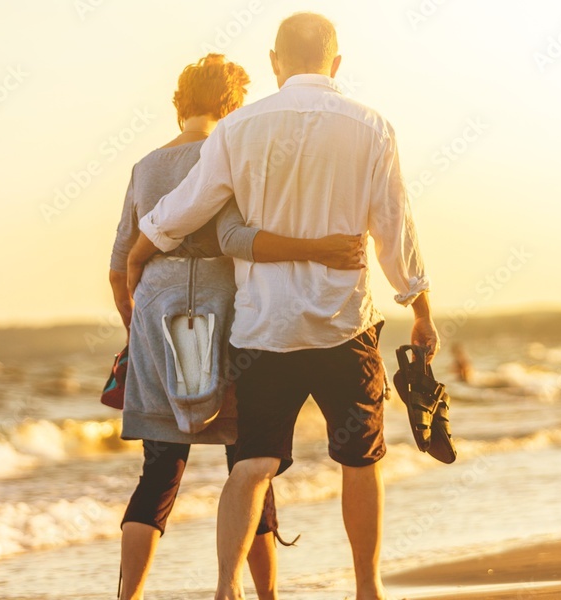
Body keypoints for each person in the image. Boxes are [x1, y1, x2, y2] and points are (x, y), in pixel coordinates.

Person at [127, 13, 439, 600]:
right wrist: (419, 307)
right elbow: (395, 227)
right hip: (343, 326)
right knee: (360, 459)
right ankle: (367, 589)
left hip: (263, 330)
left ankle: (226, 590)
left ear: (275, 61)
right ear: (337, 63)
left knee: (252, 464)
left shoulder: (238, 129)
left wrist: (139, 254)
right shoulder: (371, 126)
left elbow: (185, 208)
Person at [108, 54, 365, 600]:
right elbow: (239, 238)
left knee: (159, 470)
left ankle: (126, 597)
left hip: (157, 305)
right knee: (247, 459)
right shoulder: (232, 151)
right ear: (232, 104)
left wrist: (138, 332)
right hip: (226, 306)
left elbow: (118, 267)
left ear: (181, 102)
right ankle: (262, 595)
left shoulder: (145, 166)